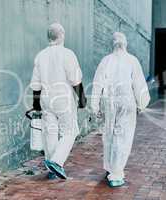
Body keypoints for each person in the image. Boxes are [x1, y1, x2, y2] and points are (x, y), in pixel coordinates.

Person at [91, 32, 150, 187]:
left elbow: (97, 83)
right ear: (125, 43)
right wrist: (141, 103)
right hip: (126, 101)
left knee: (109, 133)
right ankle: (116, 173)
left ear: (113, 44)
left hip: (109, 100)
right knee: (122, 135)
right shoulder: (132, 60)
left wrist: (95, 106)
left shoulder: (106, 60)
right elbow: (139, 84)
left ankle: (110, 167)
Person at [30, 23, 87, 179]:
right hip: (64, 99)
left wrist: (36, 105)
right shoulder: (68, 54)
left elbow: (36, 84)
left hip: (46, 100)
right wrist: (82, 99)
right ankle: (56, 162)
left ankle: (51, 169)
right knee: (71, 131)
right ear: (61, 35)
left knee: (50, 134)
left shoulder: (41, 55)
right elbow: (76, 80)